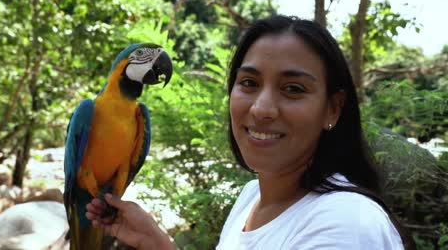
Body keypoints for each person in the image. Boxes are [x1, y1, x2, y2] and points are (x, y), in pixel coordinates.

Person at [86, 15, 414, 250]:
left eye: (294, 88)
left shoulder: (345, 226)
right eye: (248, 83)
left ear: (333, 109)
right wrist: (157, 244)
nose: (260, 109)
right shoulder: (251, 198)